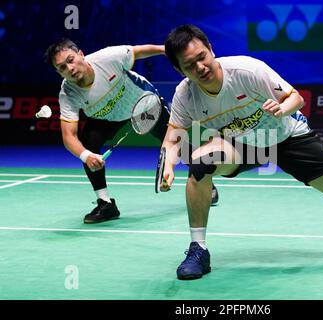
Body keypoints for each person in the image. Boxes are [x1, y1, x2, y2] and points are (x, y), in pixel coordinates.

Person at [161, 24, 323, 280]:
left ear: (210, 48)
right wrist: (169, 166)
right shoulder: (185, 95)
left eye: (202, 57)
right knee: (200, 163)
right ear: (179, 69)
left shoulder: (247, 70)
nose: (200, 67)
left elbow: (296, 98)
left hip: (287, 136)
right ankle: (199, 249)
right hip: (241, 145)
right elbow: (173, 138)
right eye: (189, 65)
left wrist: (282, 109)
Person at [44, 38, 219, 224]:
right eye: (62, 67)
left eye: (70, 60)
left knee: (175, 142)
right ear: (59, 73)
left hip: (143, 103)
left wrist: (168, 51)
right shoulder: (68, 94)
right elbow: (68, 136)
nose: (69, 68)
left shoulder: (108, 58)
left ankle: (205, 182)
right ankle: (106, 204)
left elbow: (139, 51)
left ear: (80, 54)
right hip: (107, 116)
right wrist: (87, 156)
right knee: (88, 142)